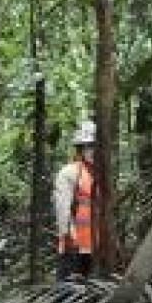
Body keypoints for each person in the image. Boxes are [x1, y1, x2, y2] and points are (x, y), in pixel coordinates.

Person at [54, 119, 97, 280]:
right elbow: (62, 210)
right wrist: (68, 238)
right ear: (80, 148)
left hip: (93, 248)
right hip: (74, 247)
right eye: (88, 146)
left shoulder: (98, 174)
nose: (92, 150)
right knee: (68, 295)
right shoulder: (69, 172)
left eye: (94, 146)